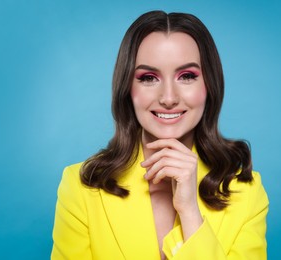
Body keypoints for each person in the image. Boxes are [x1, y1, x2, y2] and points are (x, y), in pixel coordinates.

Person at [51, 10, 268, 260]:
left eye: (187, 76)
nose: (168, 98)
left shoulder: (247, 193)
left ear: (210, 85)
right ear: (127, 89)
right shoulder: (82, 187)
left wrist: (189, 212)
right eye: (148, 78)